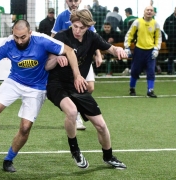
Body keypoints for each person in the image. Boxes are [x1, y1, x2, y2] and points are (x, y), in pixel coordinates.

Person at [0, 19, 87, 172]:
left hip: (37, 88)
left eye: (23, 37)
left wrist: (77, 75)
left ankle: (8, 159)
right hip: (14, 81)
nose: (19, 41)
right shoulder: (8, 44)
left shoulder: (41, 40)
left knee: (25, 128)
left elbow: (69, 50)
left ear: (30, 33)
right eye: (16, 37)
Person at [46, 9, 127, 170]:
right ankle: (75, 150)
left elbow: (110, 49)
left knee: (101, 126)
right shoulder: (61, 37)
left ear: (88, 27)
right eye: (75, 26)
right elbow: (47, 65)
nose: (77, 31)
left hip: (78, 85)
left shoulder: (92, 37)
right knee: (71, 111)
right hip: (57, 84)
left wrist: (117, 50)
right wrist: (56, 58)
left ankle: (108, 156)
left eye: (81, 28)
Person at [51, 0, 103, 130]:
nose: (73, 3)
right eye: (70, 0)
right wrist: (56, 55)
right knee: (74, 87)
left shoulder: (86, 15)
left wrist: (98, 54)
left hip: (84, 58)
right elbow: (53, 37)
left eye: (76, 0)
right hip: (68, 59)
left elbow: (94, 38)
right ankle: (76, 115)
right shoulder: (62, 16)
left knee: (89, 87)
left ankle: (78, 110)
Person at [124, 6, 161, 98]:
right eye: (147, 10)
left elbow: (158, 37)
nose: (149, 12)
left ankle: (150, 91)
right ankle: (132, 88)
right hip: (139, 50)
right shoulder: (137, 22)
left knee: (151, 71)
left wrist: (156, 48)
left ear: (153, 13)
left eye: (151, 10)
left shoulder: (156, 24)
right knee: (135, 71)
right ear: (144, 12)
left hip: (151, 51)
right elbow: (129, 34)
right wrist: (127, 47)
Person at [163, 7, 176, 75]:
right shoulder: (169, 19)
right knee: (170, 56)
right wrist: (170, 34)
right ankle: (169, 70)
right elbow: (165, 27)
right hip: (171, 41)